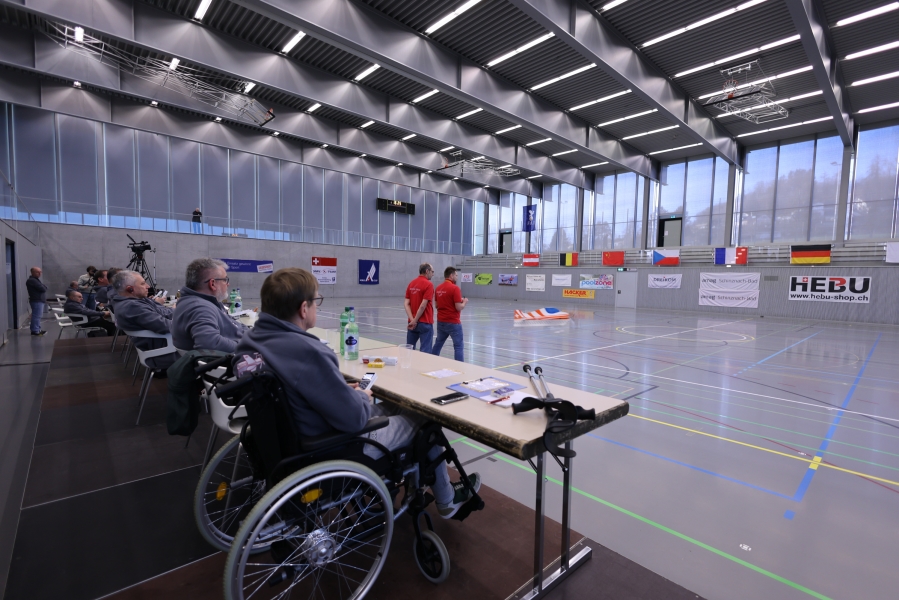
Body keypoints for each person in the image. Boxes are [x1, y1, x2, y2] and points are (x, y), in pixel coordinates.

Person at [234, 268, 479, 518]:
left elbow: (307, 391)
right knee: (426, 418)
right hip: (339, 444)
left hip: (295, 437)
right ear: (303, 309)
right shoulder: (307, 352)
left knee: (403, 407)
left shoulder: (249, 344)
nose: (317, 306)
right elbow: (354, 418)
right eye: (316, 301)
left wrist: (339, 390)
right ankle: (446, 498)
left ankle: (429, 489)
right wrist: (362, 395)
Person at [172, 258, 248, 352]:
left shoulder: (201, 302)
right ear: (212, 284)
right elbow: (210, 343)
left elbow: (232, 323)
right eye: (225, 280)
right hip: (236, 356)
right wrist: (248, 345)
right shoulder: (200, 308)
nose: (228, 284)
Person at [111, 270, 177, 370]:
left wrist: (180, 311)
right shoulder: (132, 307)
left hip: (161, 344)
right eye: (142, 283)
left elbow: (163, 312)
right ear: (130, 289)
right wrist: (192, 322)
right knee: (201, 344)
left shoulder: (137, 300)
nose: (148, 286)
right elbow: (167, 326)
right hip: (164, 351)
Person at [432, 267, 468, 362]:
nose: (457, 277)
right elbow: (458, 307)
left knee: (438, 343)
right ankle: (459, 367)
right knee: (458, 346)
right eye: (456, 275)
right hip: (453, 322)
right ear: (451, 276)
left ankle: (431, 361)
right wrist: (464, 302)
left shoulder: (438, 288)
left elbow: (437, 305)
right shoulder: (455, 288)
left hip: (441, 322)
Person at [404, 263, 435, 353]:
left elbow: (406, 304)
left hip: (412, 323)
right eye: (432, 271)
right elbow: (422, 305)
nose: (433, 274)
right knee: (425, 352)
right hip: (425, 322)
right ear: (427, 271)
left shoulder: (411, 283)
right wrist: (415, 320)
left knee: (409, 350)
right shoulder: (429, 284)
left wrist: (412, 320)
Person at [26, 267, 47, 336]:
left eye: (40, 272)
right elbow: (43, 288)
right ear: (32, 272)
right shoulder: (32, 280)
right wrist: (43, 287)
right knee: (36, 316)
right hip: (37, 301)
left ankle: (37, 329)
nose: (39, 273)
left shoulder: (36, 280)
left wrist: (44, 287)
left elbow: (44, 287)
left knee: (38, 316)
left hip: (38, 301)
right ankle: (35, 330)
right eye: (37, 272)